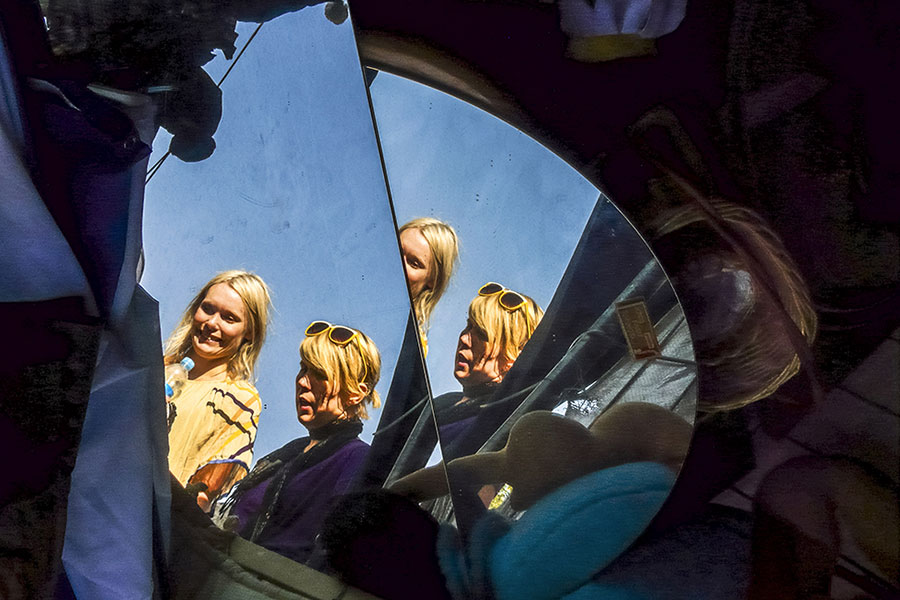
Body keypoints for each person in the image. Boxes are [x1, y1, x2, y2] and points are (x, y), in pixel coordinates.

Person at [217, 321, 382, 564]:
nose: (303, 382)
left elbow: (335, 553)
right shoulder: (288, 454)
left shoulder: (356, 458)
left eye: (319, 374)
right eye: (303, 369)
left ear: (355, 393)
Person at [164, 270, 272, 511]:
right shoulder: (153, 365)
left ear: (250, 332)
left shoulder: (240, 400)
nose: (212, 323)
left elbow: (202, 494)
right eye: (208, 309)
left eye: (229, 318)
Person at [435, 282, 543, 452]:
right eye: (468, 326)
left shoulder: (505, 423)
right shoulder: (443, 403)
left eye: (481, 334)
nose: (464, 339)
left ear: (515, 356)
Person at [398, 217, 459, 355]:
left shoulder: (412, 345)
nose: (399, 263)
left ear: (433, 281)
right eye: (397, 249)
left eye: (414, 263)